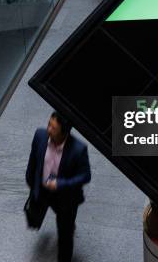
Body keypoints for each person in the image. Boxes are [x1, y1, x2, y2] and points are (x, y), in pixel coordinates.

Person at [26, 112, 91, 262]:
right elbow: (33, 161)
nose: (48, 129)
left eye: (53, 128)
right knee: (35, 212)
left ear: (64, 132)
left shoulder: (78, 149)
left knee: (65, 235)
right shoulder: (39, 136)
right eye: (49, 124)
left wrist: (61, 184)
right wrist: (31, 181)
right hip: (43, 190)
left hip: (65, 197)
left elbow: (85, 176)